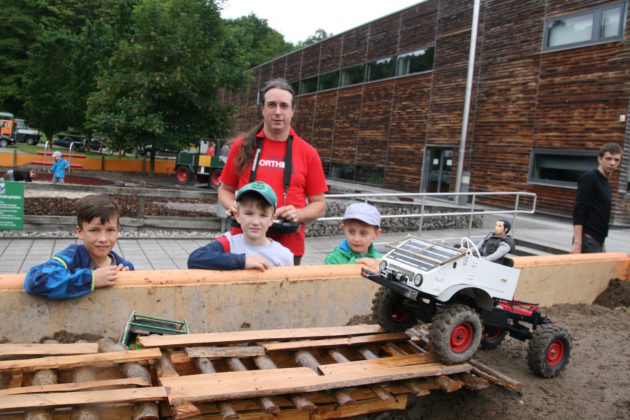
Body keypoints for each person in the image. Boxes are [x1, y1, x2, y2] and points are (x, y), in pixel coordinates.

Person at [218, 78, 327, 266]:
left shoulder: (308, 153)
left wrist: (298, 214)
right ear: (263, 110)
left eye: (284, 106)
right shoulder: (242, 146)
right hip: (243, 245)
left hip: (288, 247)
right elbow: (224, 189)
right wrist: (234, 206)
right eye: (271, 105)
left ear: (292, 111)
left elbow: (320, 205)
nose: (278, 112)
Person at [24, 194, 134, 299]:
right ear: (80, 232)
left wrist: (125, 280)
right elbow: (35, 280)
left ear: (118, 231)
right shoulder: (71, 258)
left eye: (110, 230)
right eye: (94, 230)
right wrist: (91, 279)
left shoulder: (125, 266)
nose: (103, 239)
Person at [188, 181, 293, 270]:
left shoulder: (283, 255)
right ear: (237, 215)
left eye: (263, 215)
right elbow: (195, 258)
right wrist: (242, 261)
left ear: (272, 219)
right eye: (249, 213)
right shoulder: (228, 243)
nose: (255, 221)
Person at [571, 142, 623, 254]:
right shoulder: (590, 178)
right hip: (587, 240)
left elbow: (600, 215)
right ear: (600, 159)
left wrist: (602, 244)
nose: (612, 163)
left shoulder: (606, 183)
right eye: (608, 159)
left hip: (597, 241)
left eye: (616, 160)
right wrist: (577, 243)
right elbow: (579, 211)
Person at [325, 202, 382, 269]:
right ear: (344, 229)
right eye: (351, 232)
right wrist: (356, 263)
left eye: (363, 233)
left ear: (376, 234)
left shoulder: (379, 259)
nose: (356, 239)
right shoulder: (333, 259)